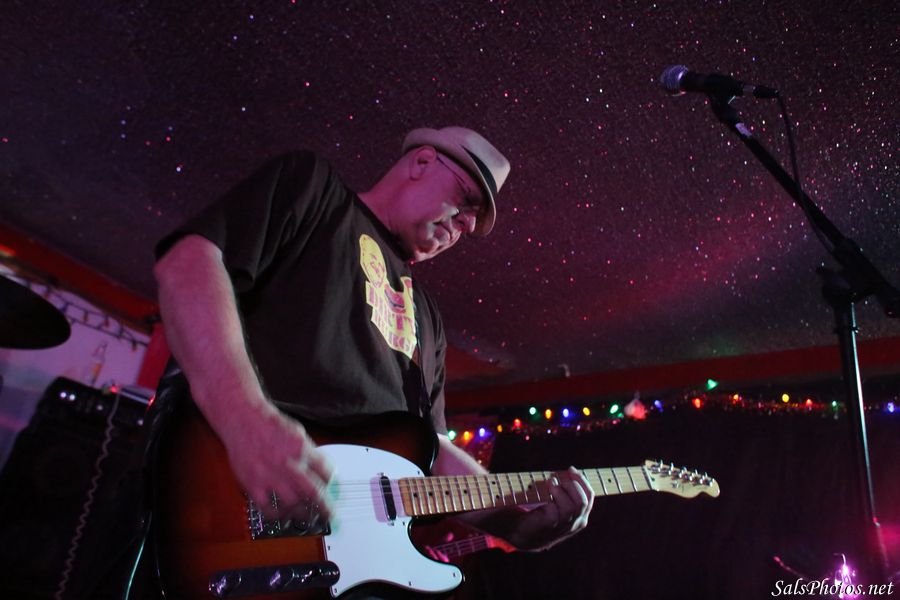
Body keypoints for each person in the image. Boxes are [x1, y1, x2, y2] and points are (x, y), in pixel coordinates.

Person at [152, 126, 594, 596]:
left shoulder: (428, 319)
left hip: (330, 566)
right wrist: (245, 420)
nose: (465, 224)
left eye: (475, 221)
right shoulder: (316, 191)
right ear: (422, 162)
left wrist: (514, 524)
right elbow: (189, 262)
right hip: (217, 499)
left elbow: (428, 451)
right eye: (466, 199)